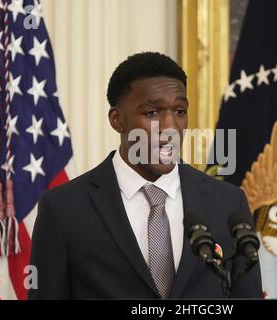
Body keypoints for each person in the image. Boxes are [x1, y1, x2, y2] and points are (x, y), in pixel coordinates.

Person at [28, 52, 262, 299]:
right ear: (117, 119)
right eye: (152, 113)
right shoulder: (63, 208)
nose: (171, 127)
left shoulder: (228, 202)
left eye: (180, 111)